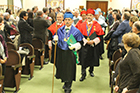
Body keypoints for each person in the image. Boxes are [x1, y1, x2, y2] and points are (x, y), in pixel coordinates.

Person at [53, 12, 83, 93]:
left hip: (70, 53)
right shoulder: (59, 30)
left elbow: (81, 42)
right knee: (62, 68)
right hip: (61, 52)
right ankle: (65, 82)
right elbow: (56, 41)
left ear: (72, 21)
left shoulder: (76, 31)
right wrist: (54, 40)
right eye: (66, 20)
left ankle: (68, 86)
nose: (67, 21)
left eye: (69, 20)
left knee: (69, 70)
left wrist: (76, 46)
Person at [79, 8, 105, 81]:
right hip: (84, 45)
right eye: (87, 15)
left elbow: (100, 37)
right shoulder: (82, 25)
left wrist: (93, 41)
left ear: (93, 16)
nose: (89, 17)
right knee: (83, 60)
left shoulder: (97, 25)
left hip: (93, 46)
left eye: (90, 15)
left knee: (92, 58)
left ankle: (91, 71)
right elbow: (80, 35)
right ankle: (83, 74)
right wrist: (85, 41)